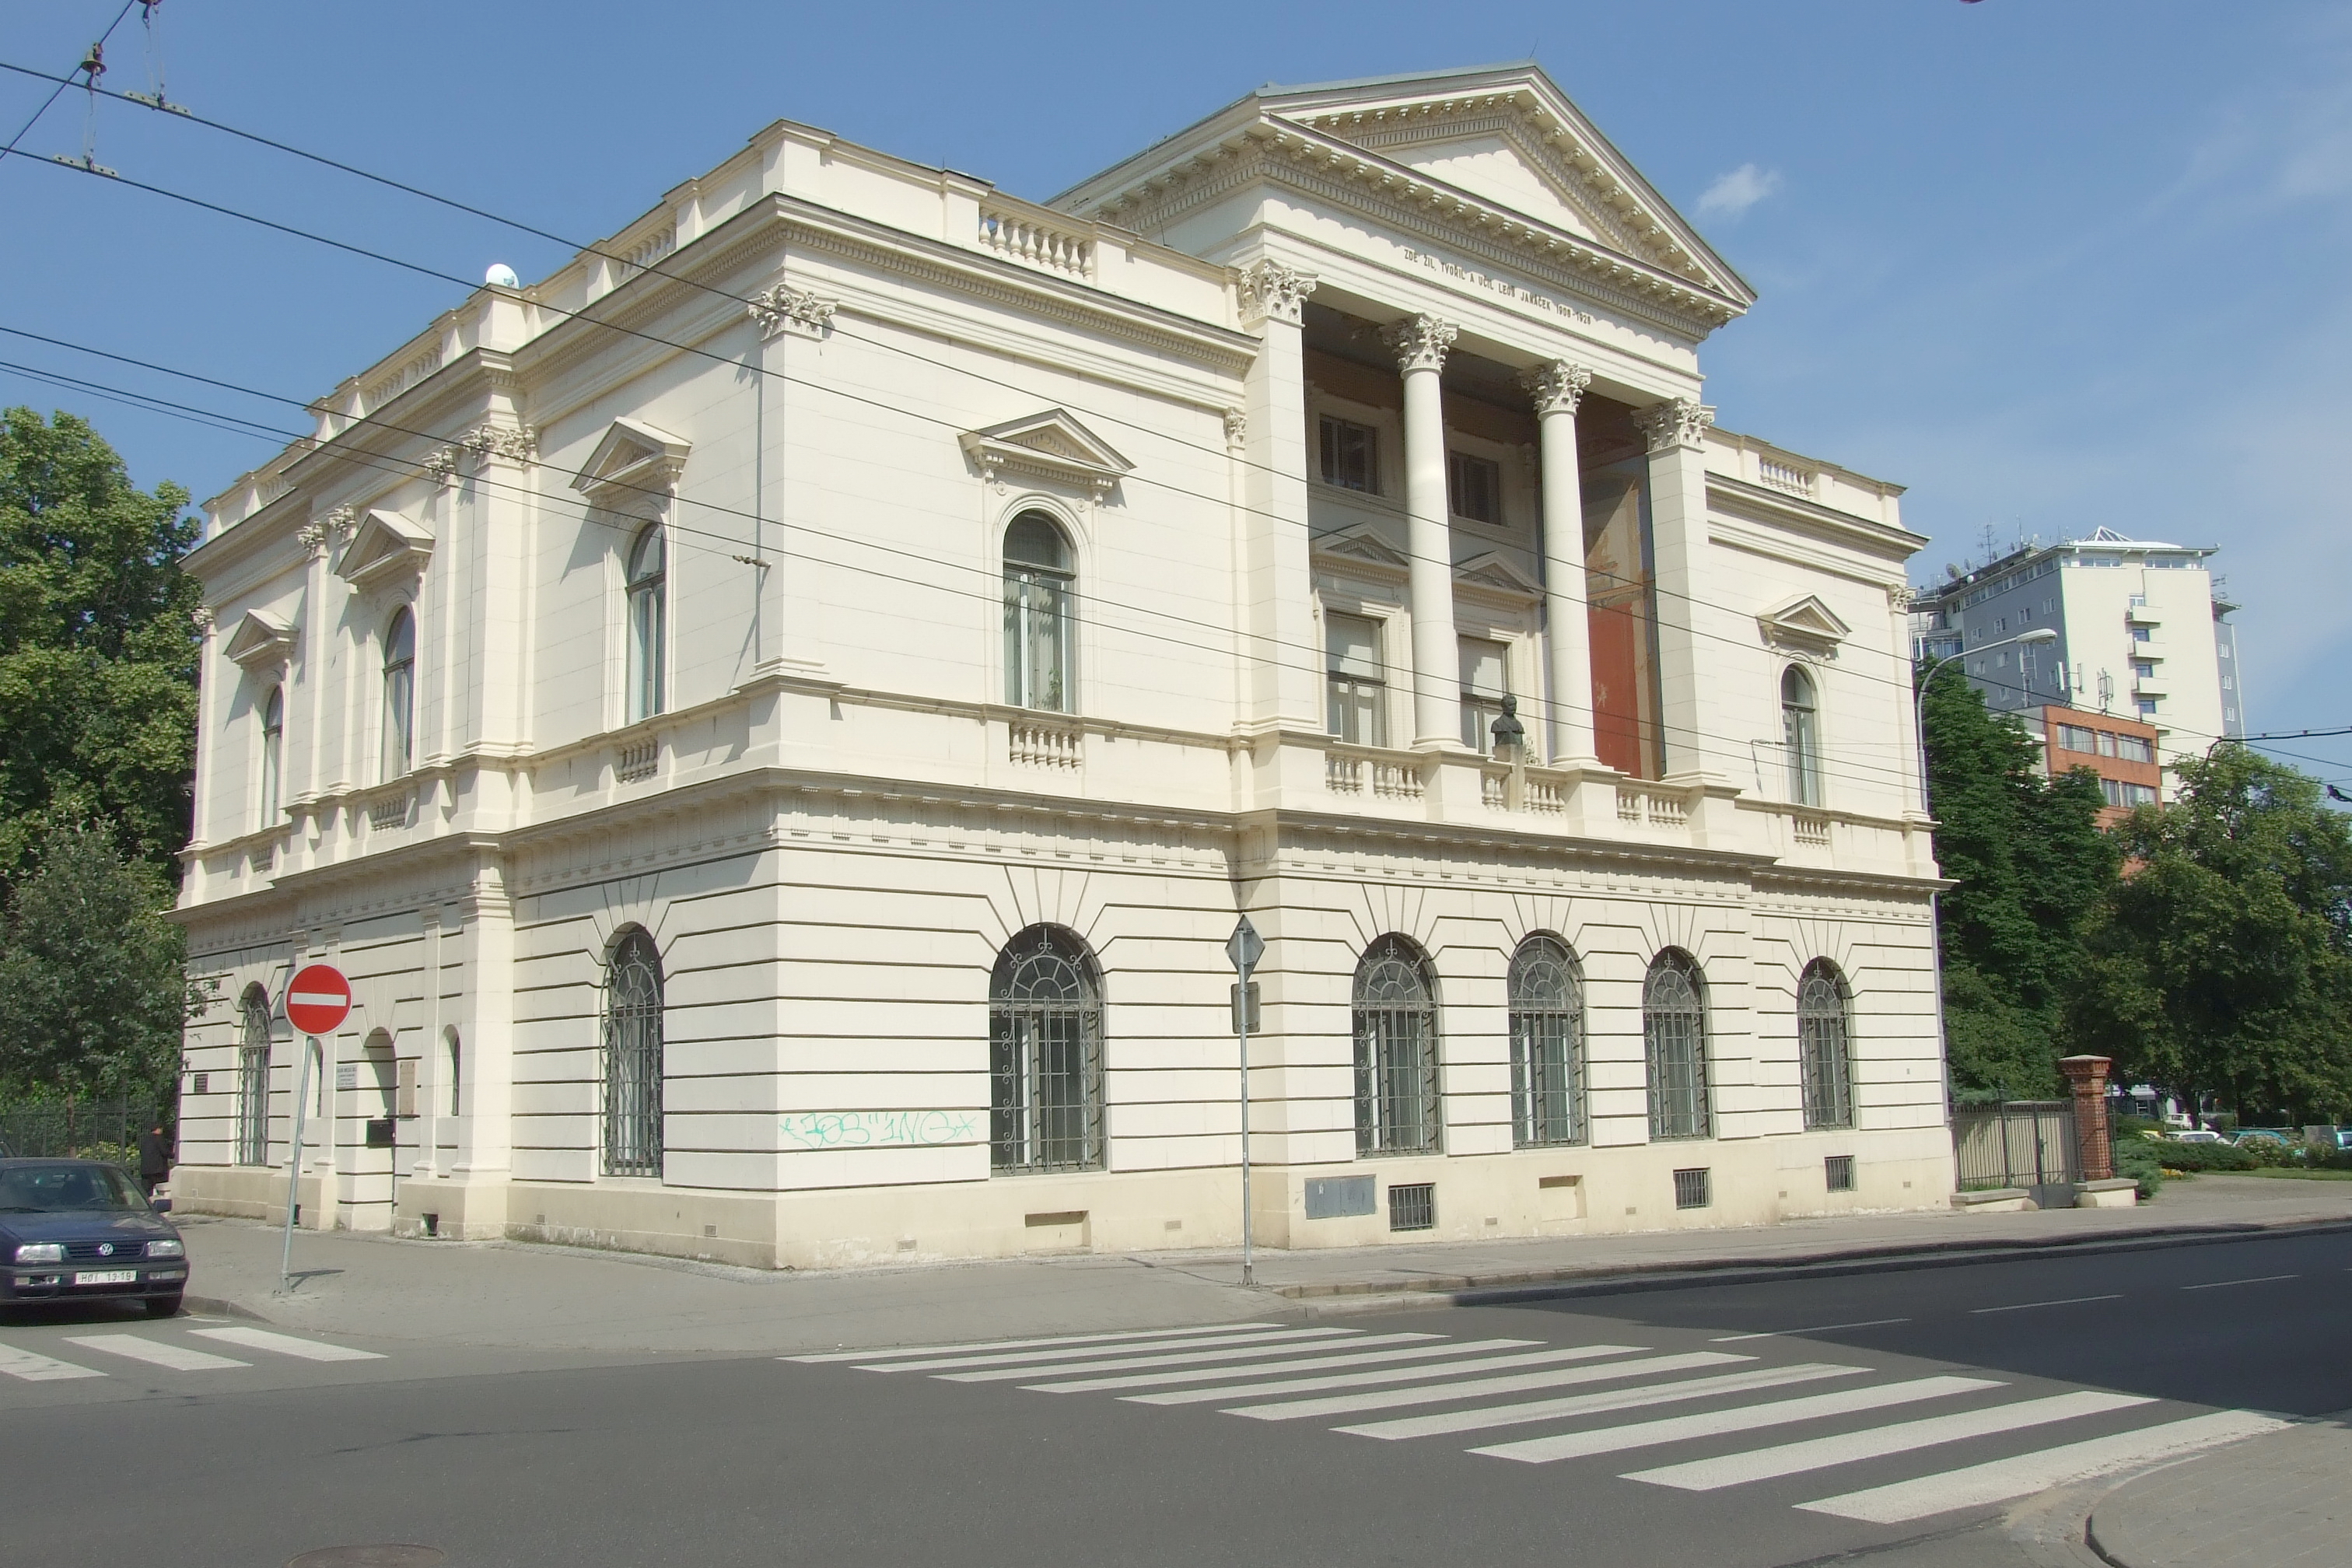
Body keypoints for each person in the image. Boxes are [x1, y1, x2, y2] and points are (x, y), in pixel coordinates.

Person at [137, 1118, 170, 1199]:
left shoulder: (145, 1139)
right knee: (161, 1190)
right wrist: (173, 1155)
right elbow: (165, 1152)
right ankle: (160, 1206)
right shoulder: (159, 1138)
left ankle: (146, 1205)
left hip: (145, 1170)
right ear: (159, 1129)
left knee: (146, 1192)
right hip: (158, 1171)